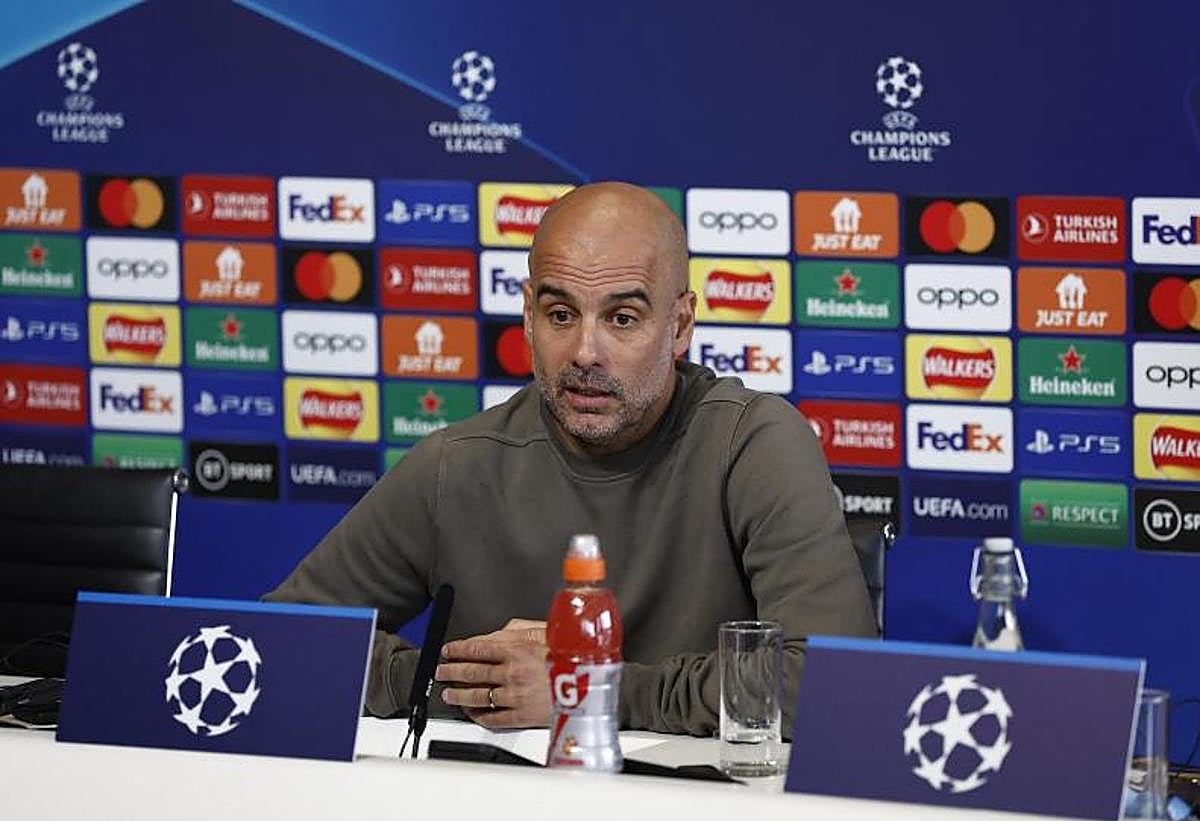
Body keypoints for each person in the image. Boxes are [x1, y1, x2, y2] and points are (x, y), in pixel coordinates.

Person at [265, 182, 876, 736]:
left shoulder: (754, 444)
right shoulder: (460, 464)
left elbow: (831, 685)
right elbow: (278, 644)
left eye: (622, 318)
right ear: (528, 316)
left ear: (681, 323)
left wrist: (588, 691)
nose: (586, 351)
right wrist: (451, 687)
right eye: (561, 315)